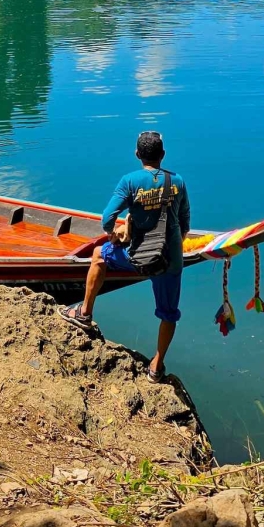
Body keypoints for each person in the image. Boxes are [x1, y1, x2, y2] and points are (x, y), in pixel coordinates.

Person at [60, 131, 190, 381]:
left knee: (99, 255)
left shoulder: (130, 181)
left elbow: (107, 219)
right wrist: (173, 244)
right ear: (163, 155)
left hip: (137, 256)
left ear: (137, 154)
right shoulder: (179, 181)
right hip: (170, 259)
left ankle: (84, 313)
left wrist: (115, 234)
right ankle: (156, 367)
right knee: (169, 313)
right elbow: (184, 222)